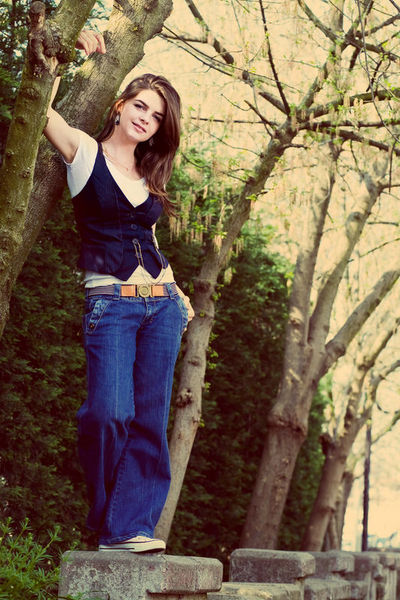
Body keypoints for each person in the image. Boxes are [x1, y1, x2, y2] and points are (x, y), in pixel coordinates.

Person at [44, 30, 194, 553]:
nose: (145, 118)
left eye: (156, 116)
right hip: (109, 305)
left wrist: (176, 292)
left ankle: (129, 530)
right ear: (120, 105)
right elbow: (41, 111)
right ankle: (107, 516)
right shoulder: (84, 152)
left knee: (149, 420)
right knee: (108, 414)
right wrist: (68, 51)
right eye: (140, 106)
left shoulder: (149, 175)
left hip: (163, 307)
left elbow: (147, 237)